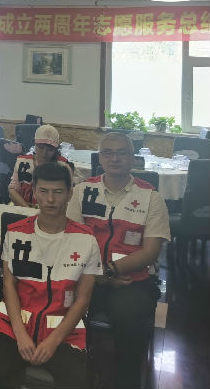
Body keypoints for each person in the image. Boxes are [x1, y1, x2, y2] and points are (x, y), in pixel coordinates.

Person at [66, 132, 169, 389]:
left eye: (122, 153)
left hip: (132, 280)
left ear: (132, 158)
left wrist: (109, 272)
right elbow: (71, 240)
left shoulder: (151, 197)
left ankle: (126, 381)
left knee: (129, 318)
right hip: (86, 275)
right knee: (58, 304)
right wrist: (99, 275)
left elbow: (151, 252)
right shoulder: (83, 191)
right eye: (108, 152)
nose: (115, 158)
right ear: (100, 157)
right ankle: (74, 372)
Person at [0, 162, 102, 389]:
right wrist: (20, 334)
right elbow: (9, 284)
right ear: (34, 192)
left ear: (69, 194)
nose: (50, 199)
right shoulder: (16, 232)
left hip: (64, 333)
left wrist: (53, 342)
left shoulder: (86, 240)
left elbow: (82, 300)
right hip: (12, 327)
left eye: (58, 192)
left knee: (77, 383)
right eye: (43, 191)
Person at [9, 124, 72, 208]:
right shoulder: (22, 161)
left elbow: (68, 196)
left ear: (56, 150)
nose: (44, 153)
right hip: (23, 207)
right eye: (40, 147)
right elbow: (12, 190)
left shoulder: (63, 166)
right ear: (34, 144)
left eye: (50, 149)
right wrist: (27, 209)